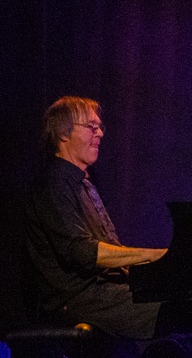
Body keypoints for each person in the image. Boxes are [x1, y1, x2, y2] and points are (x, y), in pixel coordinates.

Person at [23, 97, 167, 339]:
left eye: (100, 127)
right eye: (91, 127)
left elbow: (111, 250)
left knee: (188, 303)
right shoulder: (52, 185)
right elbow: (83, 252)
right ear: (63, 133)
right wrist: (157, 255)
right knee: (180, 312)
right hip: (78, 299)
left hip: (104, 293)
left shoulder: (84, 183)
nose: (99, 133)